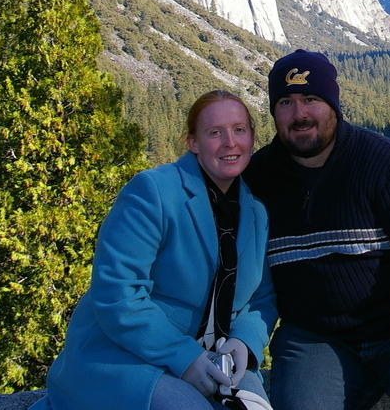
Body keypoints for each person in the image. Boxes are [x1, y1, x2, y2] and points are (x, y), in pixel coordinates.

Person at [244, 49, 390, 410]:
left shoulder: (389, 167)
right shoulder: (257, 180)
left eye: (311, 99)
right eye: (286, 102)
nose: (299, 114)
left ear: (333, 104)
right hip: (317, 339)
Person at [33, 90, 276, 410]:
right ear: (193, 142)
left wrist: (245, 341)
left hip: (213, 359)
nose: (230, 142)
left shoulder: (256, 212)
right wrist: (184, 356)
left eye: (239, 130)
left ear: (252, 138)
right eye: (215, 132)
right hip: (126, 357)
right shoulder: (153, 192)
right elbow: (118, 294)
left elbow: (261, 297)